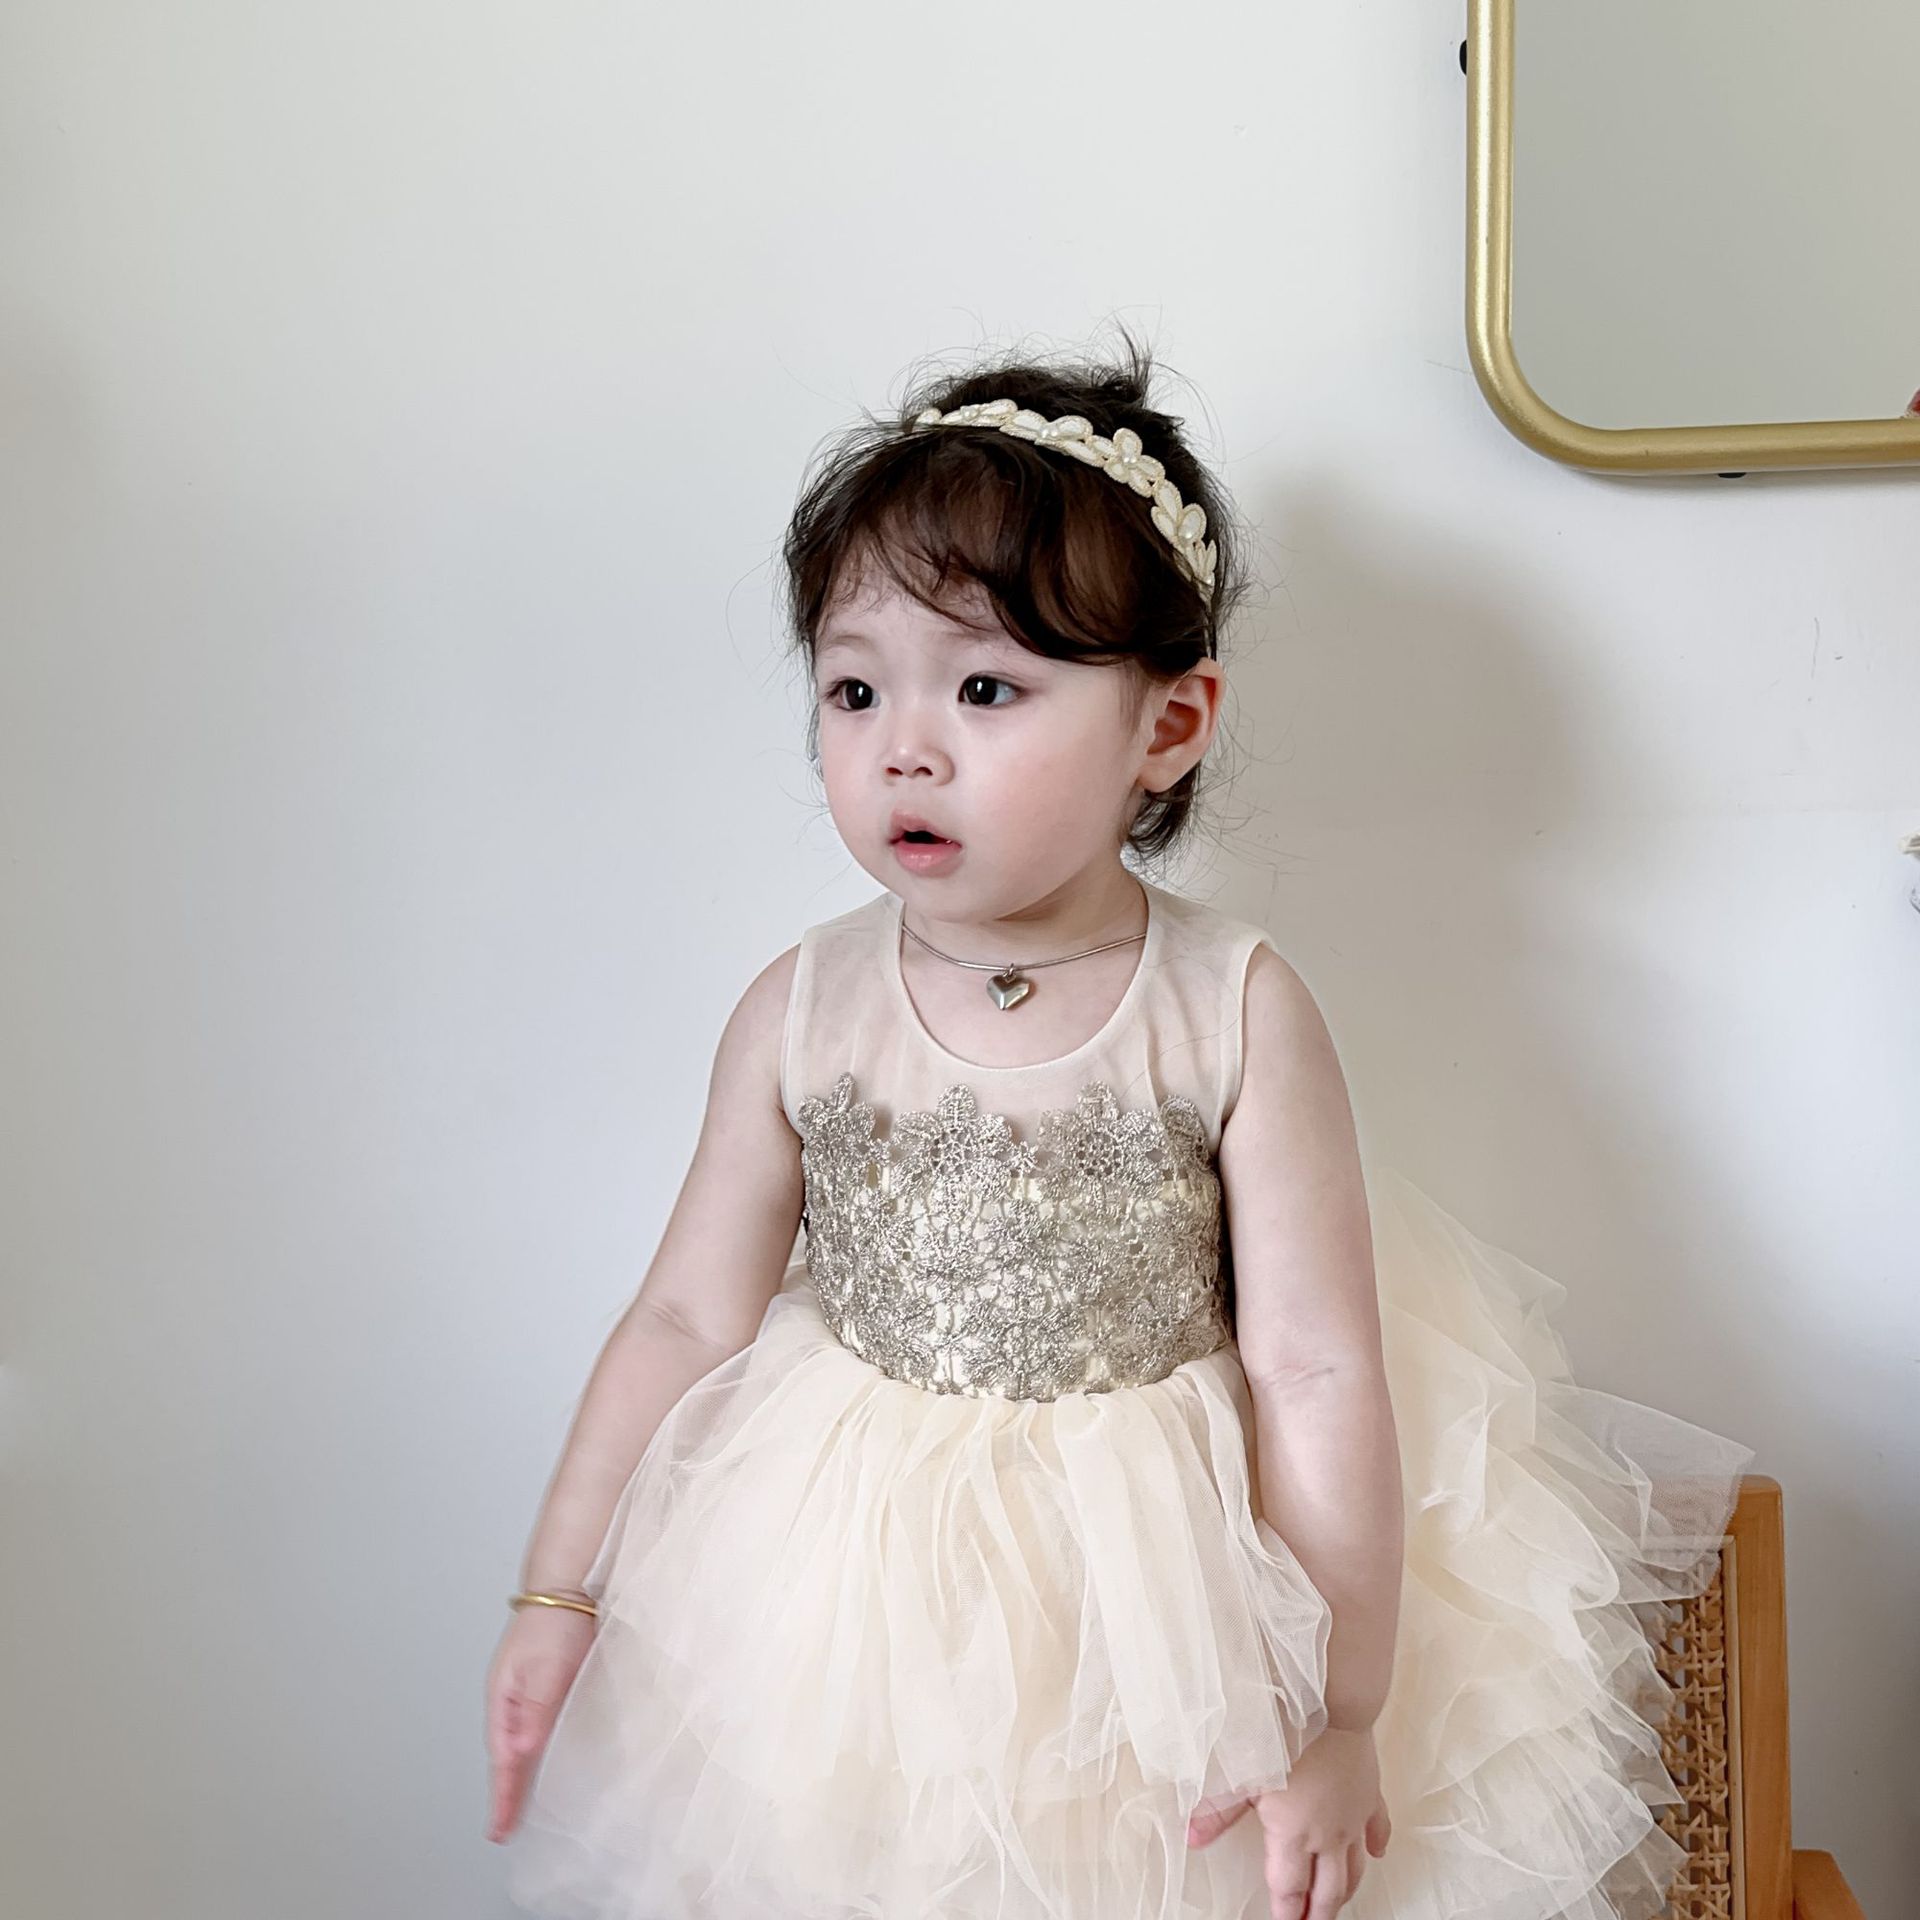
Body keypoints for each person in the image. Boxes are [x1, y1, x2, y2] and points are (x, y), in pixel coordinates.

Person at [483, 334, 1755, 1920]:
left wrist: (1341, 1714)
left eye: (987, 688)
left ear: (1169, 725)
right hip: (851, 1607)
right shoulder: (799, 1009)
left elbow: (1313, 1366)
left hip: (1161, 1623)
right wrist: (558, 1590)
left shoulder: (1231, 1008)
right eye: (855, 687)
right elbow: (684, 1316)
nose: (905, 745)